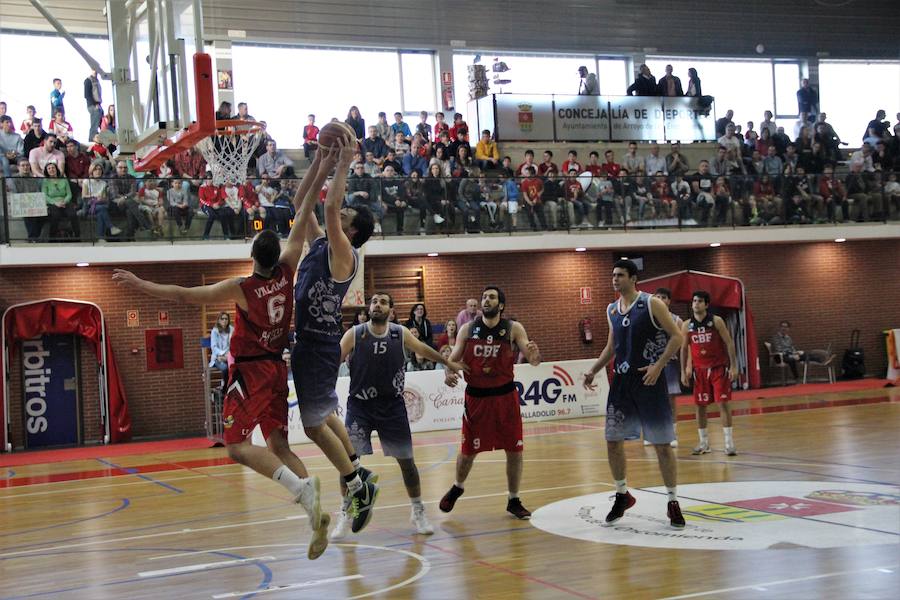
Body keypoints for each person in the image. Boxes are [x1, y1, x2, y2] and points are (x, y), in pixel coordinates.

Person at [112, 223, 331, 559]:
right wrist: (321, 170)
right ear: (277, 255)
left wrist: (139, 283)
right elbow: (301, 219)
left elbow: (183, 295)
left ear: (251, 255)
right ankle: (315, 518)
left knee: (236, 448)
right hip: (276, 368)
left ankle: (300, 488)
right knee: (279, 445)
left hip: (250, 373)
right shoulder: (287, 272)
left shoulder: (241, 287)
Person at [290, 132, 379, 535]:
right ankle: (358, 468)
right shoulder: (323, 244)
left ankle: (356, 483)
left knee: (312, 426)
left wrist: (343, 162)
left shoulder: (345, 253)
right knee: (323, 415)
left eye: (345, 219)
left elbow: (327, 206)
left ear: (354, 232)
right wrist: (320, 163)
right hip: (311, 342)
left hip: (320, 345)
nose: (338, 216)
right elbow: (301, 204)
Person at [329, 292, 465, 540]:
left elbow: (424, 348)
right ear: (369, 307)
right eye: (374, 301)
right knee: (346, 464)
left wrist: (447, 362)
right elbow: (333, 361)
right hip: (360, 407)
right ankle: (346, 512)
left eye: (382, 301)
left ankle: (417, 510)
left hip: (391, 406)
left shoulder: (399, 333)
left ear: (391, 310)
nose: (377, 305)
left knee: (407, 462)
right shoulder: (355, 334)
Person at [582, 260, 685, 529]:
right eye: (613, 275)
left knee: (662, 445)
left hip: (649, 381)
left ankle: (673, 501)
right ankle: (621, 494)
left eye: (620, 275)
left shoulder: (652, 304)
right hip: (622, 383)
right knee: (613, 440)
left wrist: (659, 365)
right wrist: (593, 370)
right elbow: (612, 346)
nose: (614, 279)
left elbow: (677, 337)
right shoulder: (612, 309)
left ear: (633, 278)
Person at [439, 286, 541, 520]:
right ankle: (458, 486)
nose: (486, 300)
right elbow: (451, 360)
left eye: (491, 297)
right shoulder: (467, 329)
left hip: (506, 397)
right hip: (476, 398)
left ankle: (513, 499)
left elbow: (533, 360)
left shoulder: (513, 328)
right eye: (484, 297)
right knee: (467, 452)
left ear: (501, 305)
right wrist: (448, 373)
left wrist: (535, 355)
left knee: (514, 450)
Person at [681, 291, 739, 456]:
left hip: (718, 368)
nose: (696, 304)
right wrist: (685, 369)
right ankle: (704, 442)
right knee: (700, 406)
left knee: (723, 403)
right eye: (693, 301)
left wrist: (734, 366)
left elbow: (729, 343)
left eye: (699, 301)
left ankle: (729, 443)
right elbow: (684, 348)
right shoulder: (687, 325)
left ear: (706, 304)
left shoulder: (716, 321)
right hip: (699, 371)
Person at [649, 288, 683, 448]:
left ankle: (672, 433)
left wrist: (685, 367)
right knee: (651, 400)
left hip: (669, 363)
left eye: (664, 297)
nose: (661, 299)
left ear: (669, 301)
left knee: (670, 400)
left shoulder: (676, 320)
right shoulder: (647, 318)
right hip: (651, 363)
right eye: (658, 297)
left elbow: (682, 345)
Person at [209, 312, 233, 381]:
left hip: (229, 356)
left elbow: (233, 345)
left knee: (235, 367)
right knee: (225, 368)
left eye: (226, 319)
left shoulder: (231, 329)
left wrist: (227, 356)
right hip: (218, 357)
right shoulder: (214, 331)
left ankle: (230, 387)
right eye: (222, 319)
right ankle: (224, 388)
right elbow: (214, 347)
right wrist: (222, 355)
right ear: (219, 320)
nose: (224, 320)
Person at [84, 69, 103, 141]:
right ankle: (92, 139)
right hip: (93, 105)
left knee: (100, 122)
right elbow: (87, 95)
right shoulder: (88, 80)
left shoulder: (97, 80)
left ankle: (98, 138)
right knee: (94, 124)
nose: (95, 71)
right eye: (93, 69)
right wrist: (95, 104)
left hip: (98, 104)